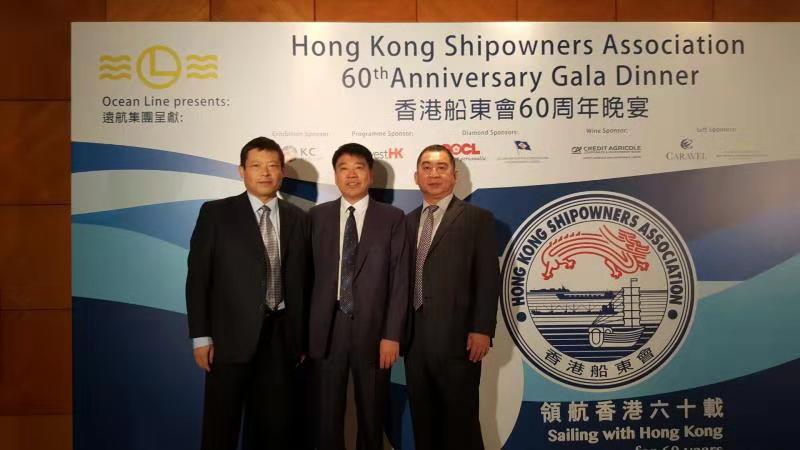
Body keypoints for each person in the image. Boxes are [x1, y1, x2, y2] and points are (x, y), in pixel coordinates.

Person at [186, 136, 309, 450]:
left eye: (272, 166)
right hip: (228, 339)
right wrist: (201, 336)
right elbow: (198, 279)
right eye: (256, 165)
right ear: (242, 171)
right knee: (221, 427)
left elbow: (303, 281)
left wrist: (300, 338)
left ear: (282, 171)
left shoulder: (298, 218)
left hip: (280, 338)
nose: (265, 173)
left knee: (275, 429)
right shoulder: (216, 214)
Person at [308, 143, 408, 450]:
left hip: (375, 333)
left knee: (372, 416)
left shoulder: (393, 218)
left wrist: (391, 335)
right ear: (335, 175)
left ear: (371, 174)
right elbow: (304, 277)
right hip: (327, 330)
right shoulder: (316, 217)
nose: (351, 175)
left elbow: (400, 281)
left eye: (358, 168)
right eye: (344, 168)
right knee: (326, 419)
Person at [404, 144, 500, 450]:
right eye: (427, 167)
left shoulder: (477, 218)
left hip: (459, 340)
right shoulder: (405, 222)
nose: (434, 174)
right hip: (414, 340)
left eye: (441, 167)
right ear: (416, 176)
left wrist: (482, 328)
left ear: (454, 175)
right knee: (423, 420)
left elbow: (488, 278)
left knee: (461, 421)